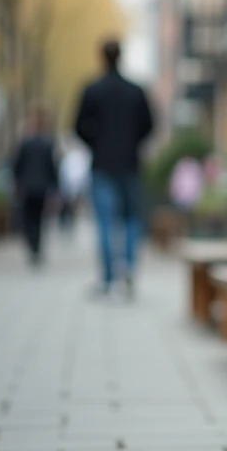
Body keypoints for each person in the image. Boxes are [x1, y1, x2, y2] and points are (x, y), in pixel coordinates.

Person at [74, 39, 154, 298]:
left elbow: (77, 126)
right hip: (130, 163)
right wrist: (132, 142)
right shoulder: (135, 91)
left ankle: (108, 278)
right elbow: (149, 125)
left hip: (102, 164)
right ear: (121, 56)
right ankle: (128, 269)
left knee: (105, 223)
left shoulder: (92, 90)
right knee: (131, 219)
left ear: (102, 57)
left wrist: (96, 143)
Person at [11, 107, 59, 266]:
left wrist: (16, 181)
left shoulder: (25, 143)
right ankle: (37, 246)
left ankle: (32, 244)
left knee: (28, 217)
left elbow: (17, 165)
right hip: (42, 187)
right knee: (38, 218)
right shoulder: (47, 144)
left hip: (27, 186)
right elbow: (52, 167)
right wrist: (55, 186)